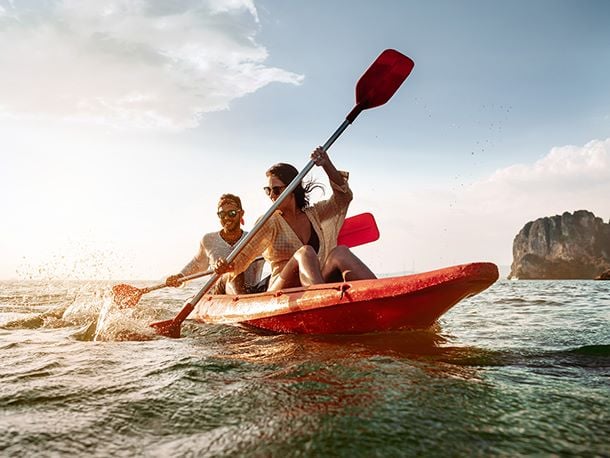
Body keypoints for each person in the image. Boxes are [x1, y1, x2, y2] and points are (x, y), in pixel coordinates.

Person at [214, 146, 376, 291]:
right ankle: (320, 299)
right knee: (305, 252)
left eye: (276, 190)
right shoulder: (268, 221)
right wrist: (224, 265)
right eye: (267, 190)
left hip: (315, 282)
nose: (271, 196)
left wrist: (326, 164)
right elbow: (244, 256)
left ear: (293, 188)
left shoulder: (314, 213)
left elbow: (343, 197)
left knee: (340, 252)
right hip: (282, 288)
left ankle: (380, 291)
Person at [165, 194, 263, 294]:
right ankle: (240, 300)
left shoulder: (256, 238)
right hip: (220, 292)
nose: (226, 218)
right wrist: (180, 277)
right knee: (233, 273)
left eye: (232, 213)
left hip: (251, 292)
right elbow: (197, 264)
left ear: (241, 214)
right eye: (222, 214)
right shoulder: (209, 240)